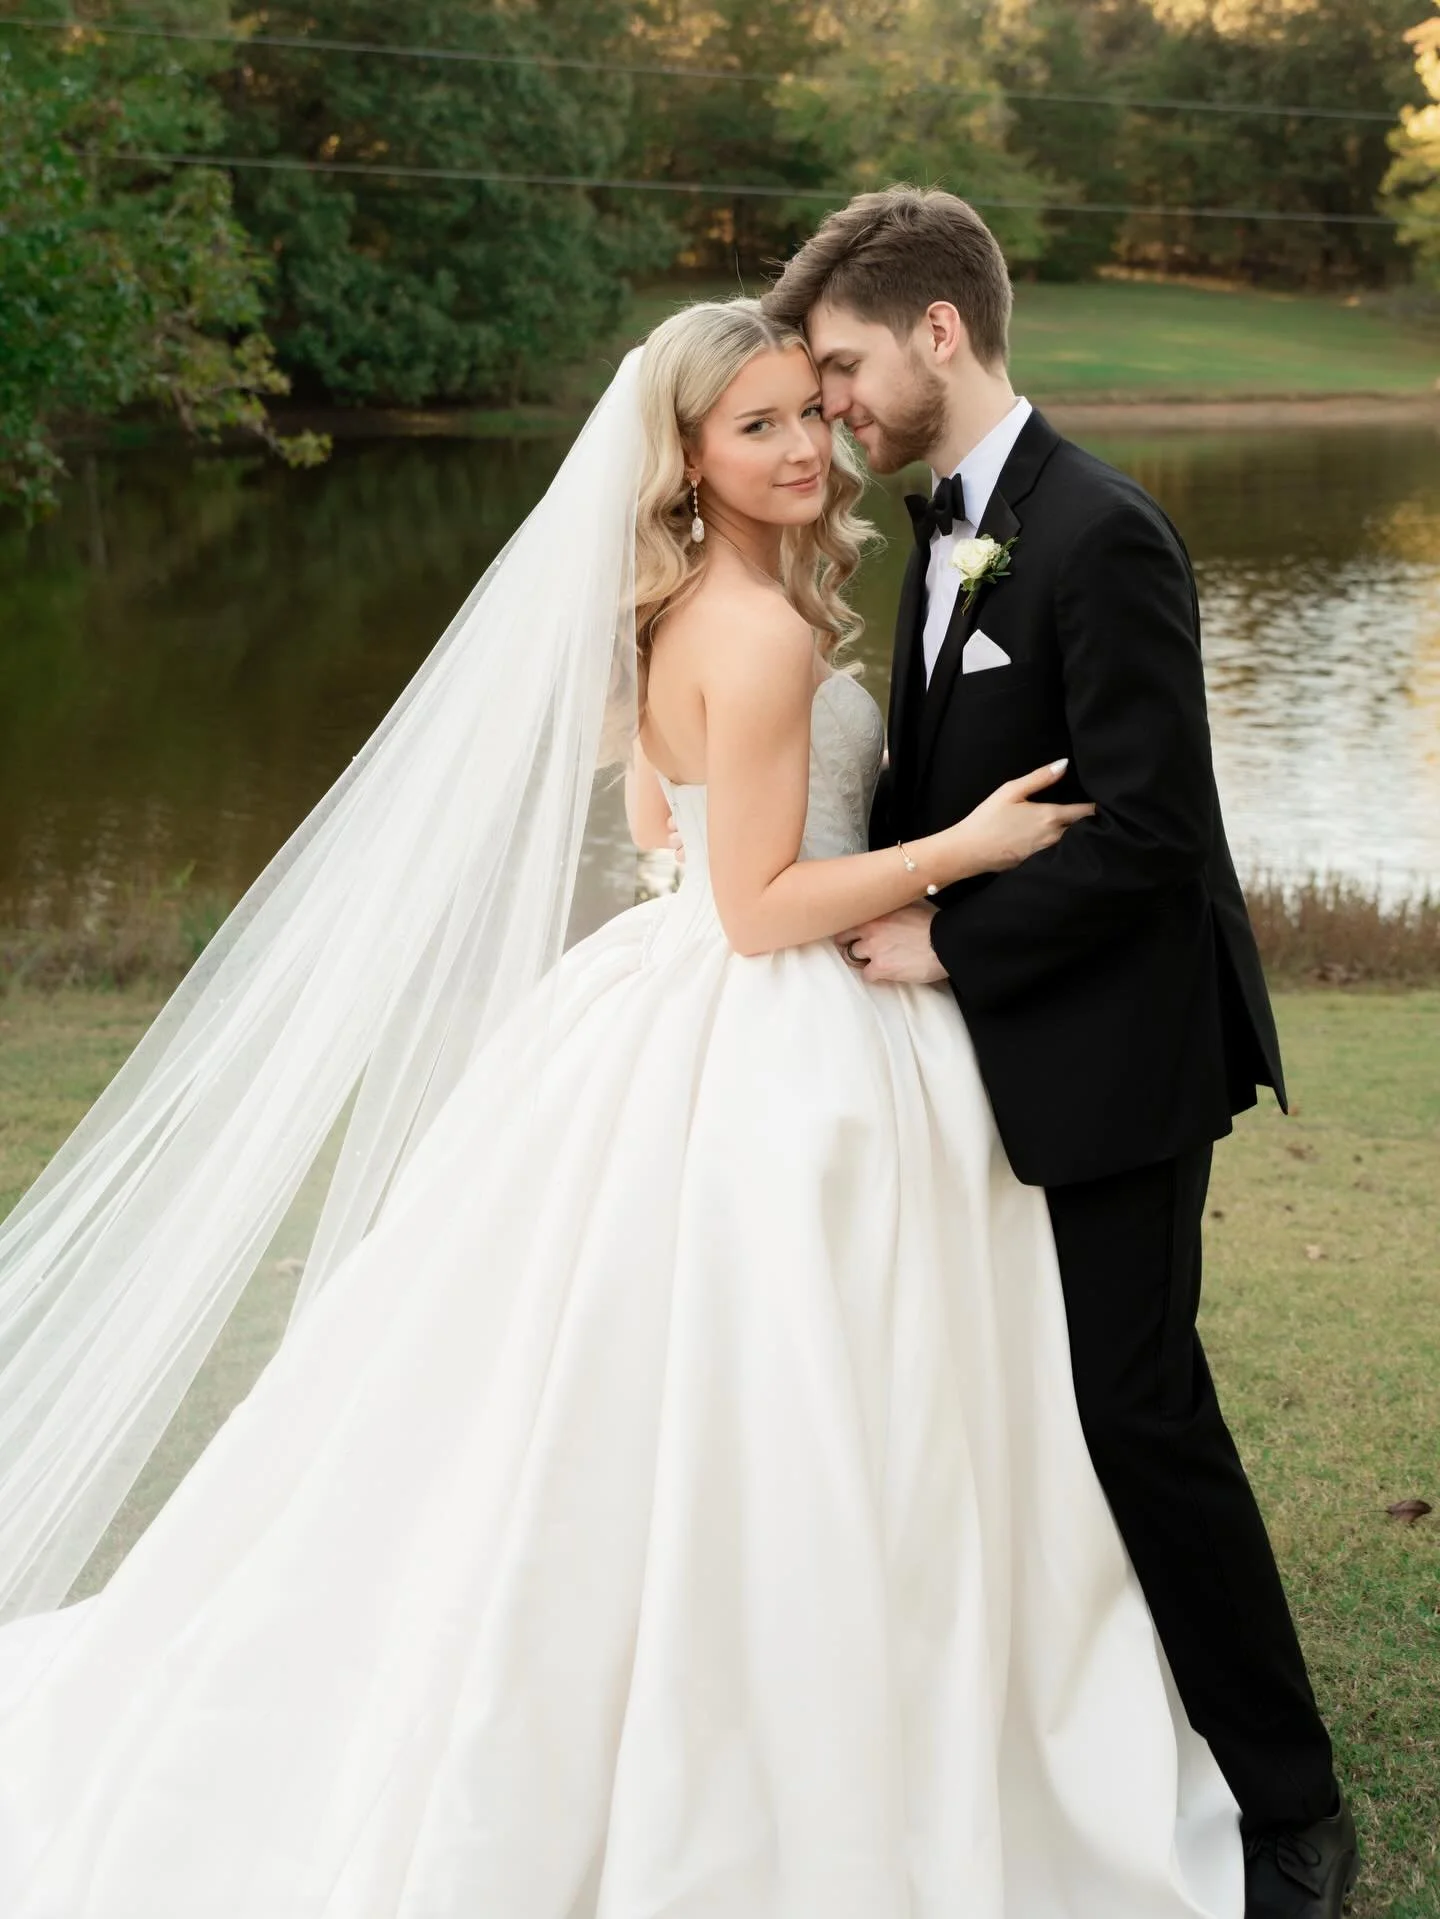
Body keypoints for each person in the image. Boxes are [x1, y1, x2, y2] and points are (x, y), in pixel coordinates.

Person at [0, 298, 1244, 1918]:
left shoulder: (676, 613)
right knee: (821, 1378)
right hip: (788, 1031)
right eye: (759, 427)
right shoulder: (775, 631)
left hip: (654, 1011)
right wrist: (969, 849)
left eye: (812, 407)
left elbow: (664, 825)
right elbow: (756, 904)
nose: (805, 445)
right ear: (688, 455)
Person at [760, 187, 1356, 1919]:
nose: (837, 406)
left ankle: (1293, 1800)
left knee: (1139, 1410)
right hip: (988, 1055)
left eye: (850, 366)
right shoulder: (946, 525)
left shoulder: (1100, 533)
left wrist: (947, 934)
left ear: (941, 332)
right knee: (1023, 1404)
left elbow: (1154, 829)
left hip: (1122, 1053)